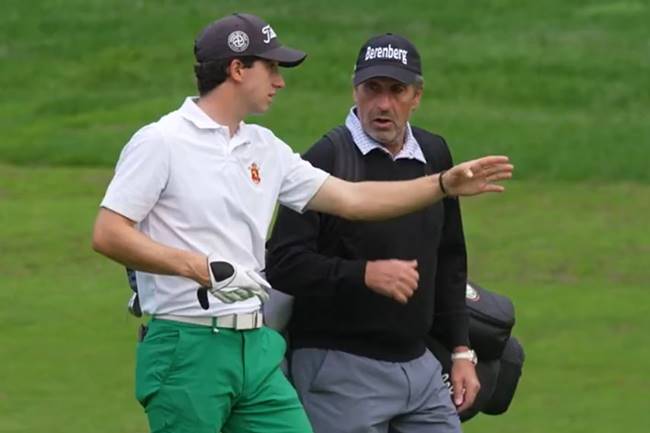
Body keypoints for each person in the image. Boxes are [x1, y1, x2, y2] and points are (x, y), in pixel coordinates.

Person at [92, 13, 512, 433]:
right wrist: (199, 267)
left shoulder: (264, 146)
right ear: (238, 70)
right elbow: (109, 233)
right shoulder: (162, 141)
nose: (280, 81)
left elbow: (352, 198)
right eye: (271, 68)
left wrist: (440, 184)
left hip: (254, 347)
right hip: (187, 344)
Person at [265, 33, 482, 433]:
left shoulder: (434, 156)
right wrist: (363, 274)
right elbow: (283, 264)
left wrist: (461, 350)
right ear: (355, 90)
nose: (383, 104)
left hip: (420, 368)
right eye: (372, 89)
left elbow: (450, 255)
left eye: (397, 90)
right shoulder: (328, 158)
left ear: (416, 96)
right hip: (338, 371)